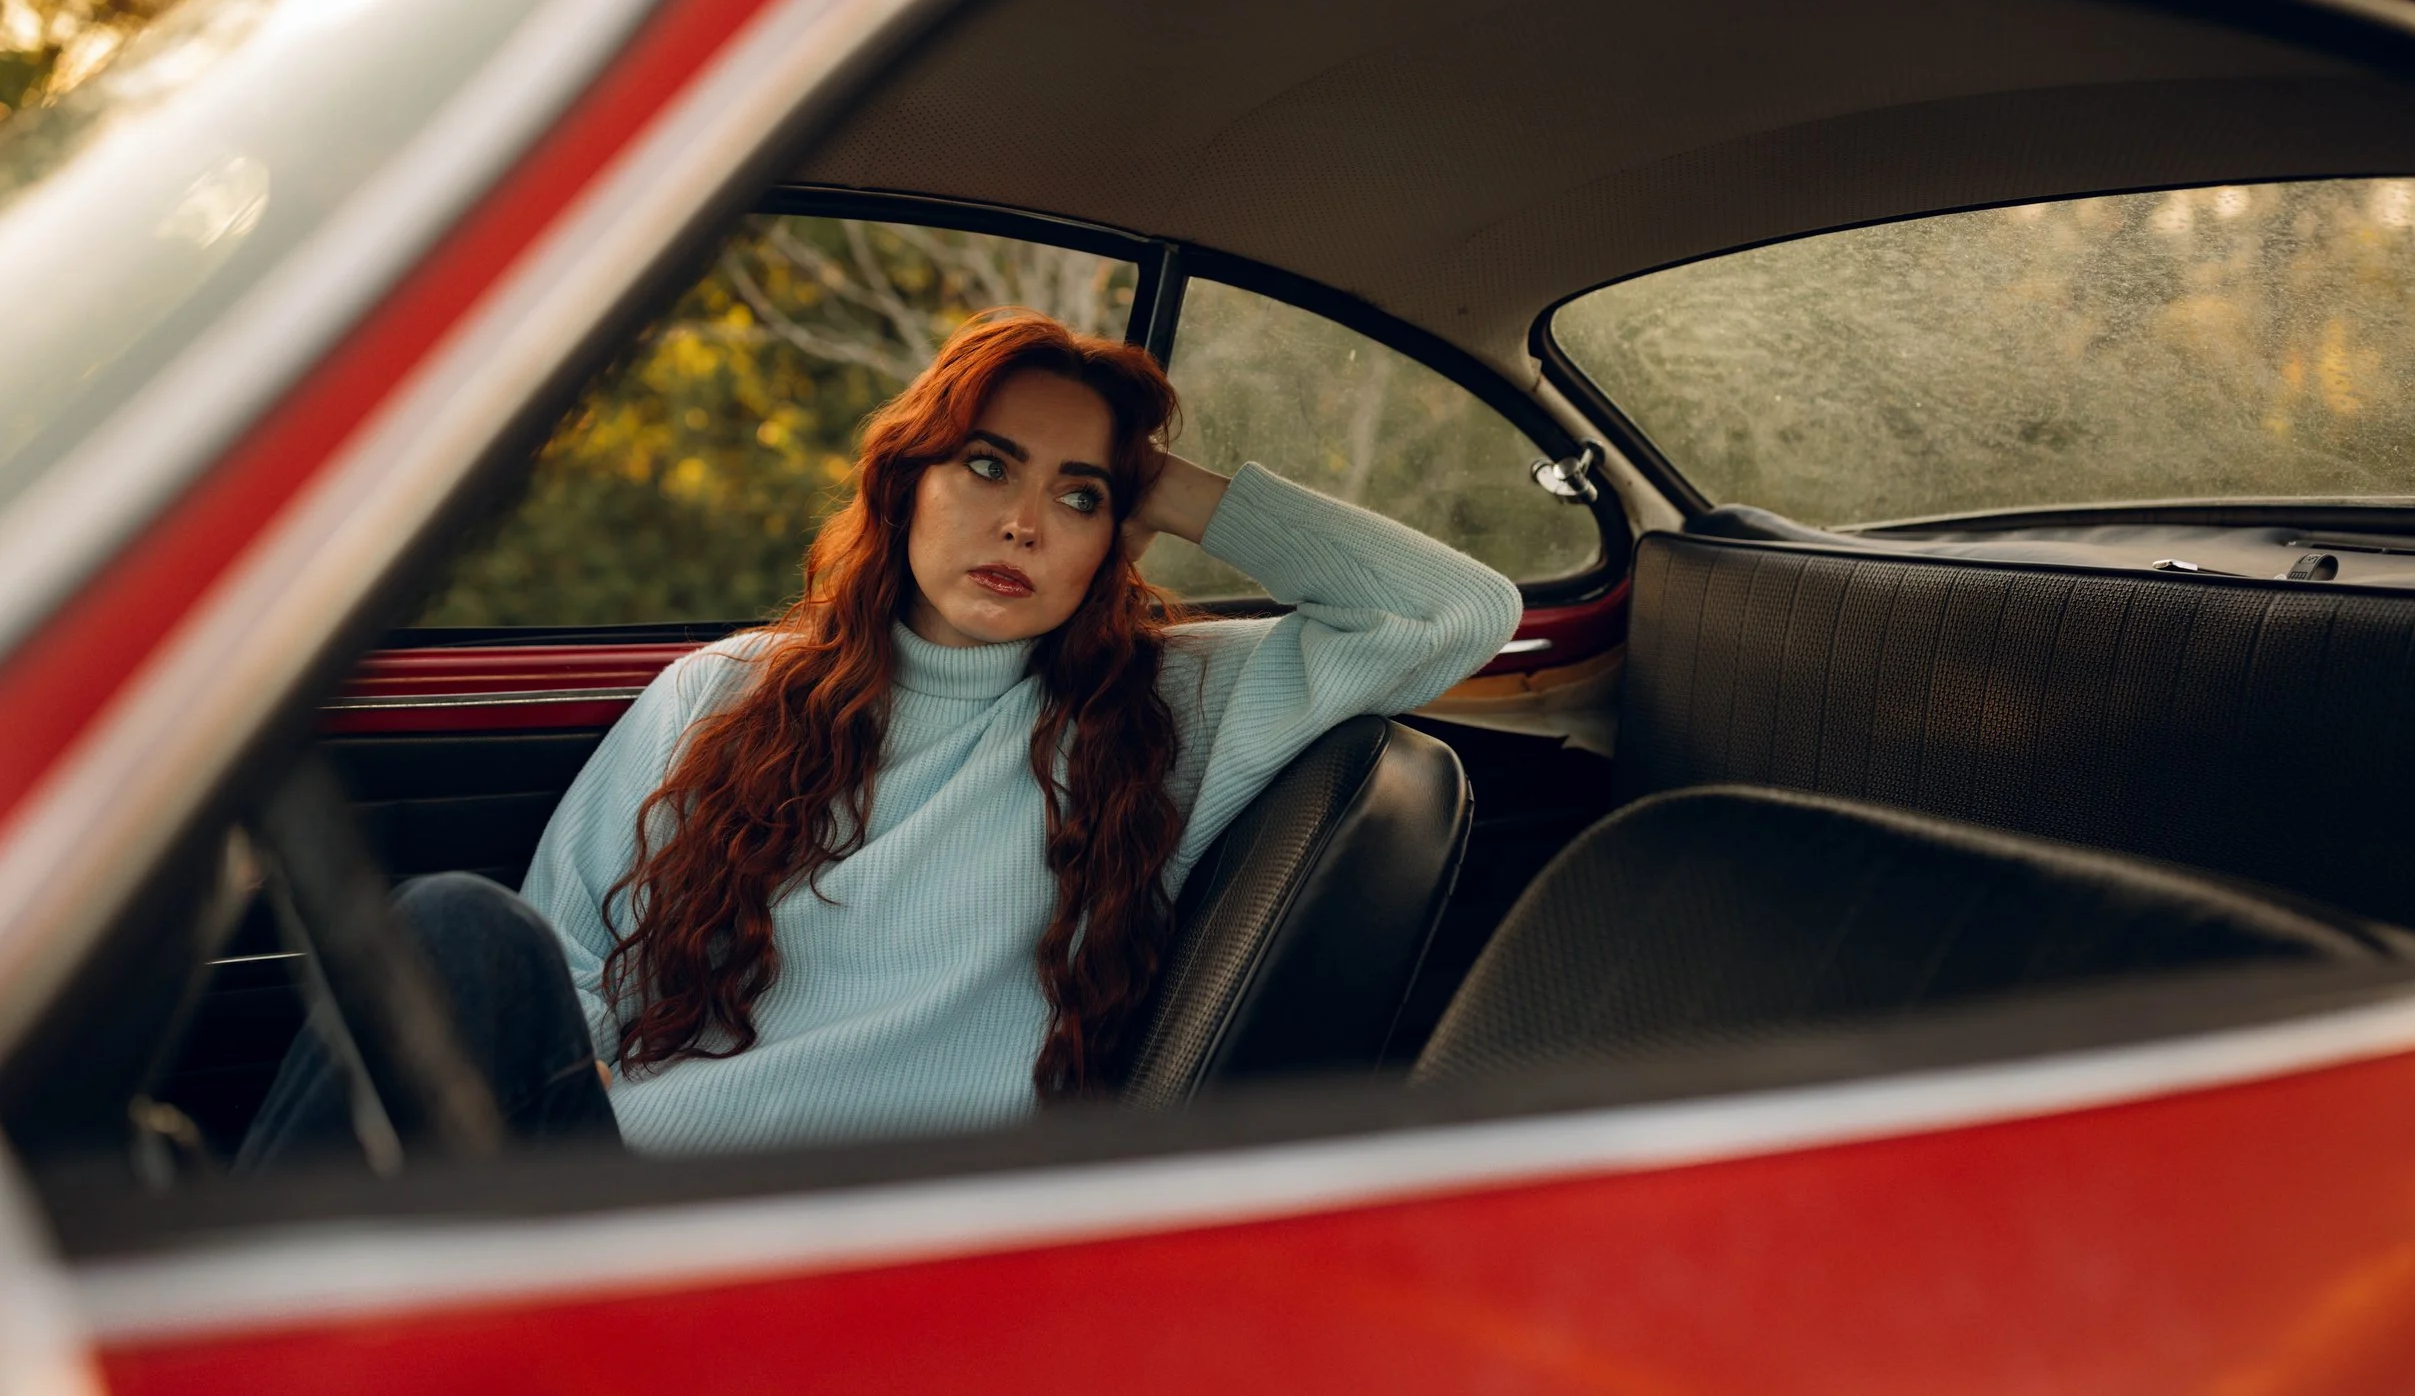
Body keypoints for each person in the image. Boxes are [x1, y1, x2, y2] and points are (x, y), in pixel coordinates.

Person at [240, 309, 1518, 1165]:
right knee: (456, 926)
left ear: (1115, 534)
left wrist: (1164, 481)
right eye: (987, 465)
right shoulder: (722, 692)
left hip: (861, 1246)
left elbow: (1459, 611)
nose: (1023, 523)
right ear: (904, 482)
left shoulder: (1163, 715)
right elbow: (569, 966)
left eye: (1077, 496)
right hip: (615, 1189)